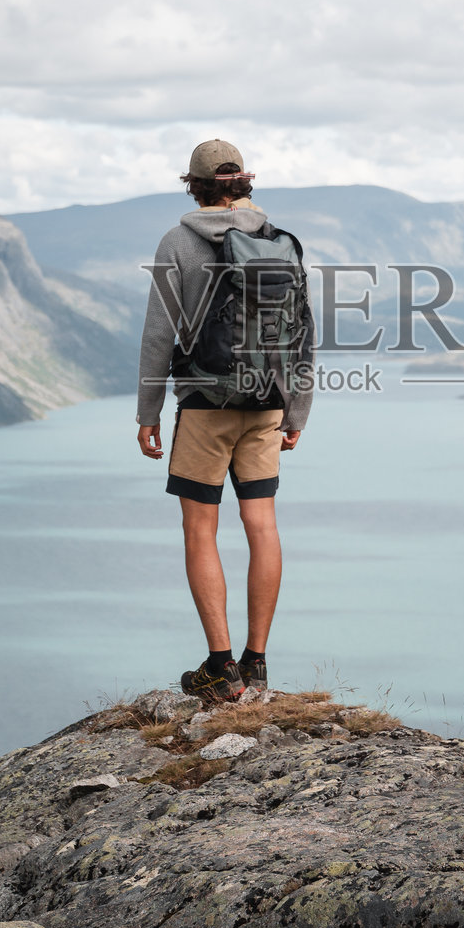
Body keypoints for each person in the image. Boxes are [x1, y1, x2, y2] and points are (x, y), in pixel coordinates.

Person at [136, 140, 314, 704]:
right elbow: (304, 333)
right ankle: (256, 663)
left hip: (206, 405)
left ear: (195, 184)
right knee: (262, 527)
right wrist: (296, 411)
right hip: (267, 403)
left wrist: (148, 413)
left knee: (200, 530)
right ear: (244, 182)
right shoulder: (278, 242)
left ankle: (220, 668)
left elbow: (159, 335)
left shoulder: (179, 241)